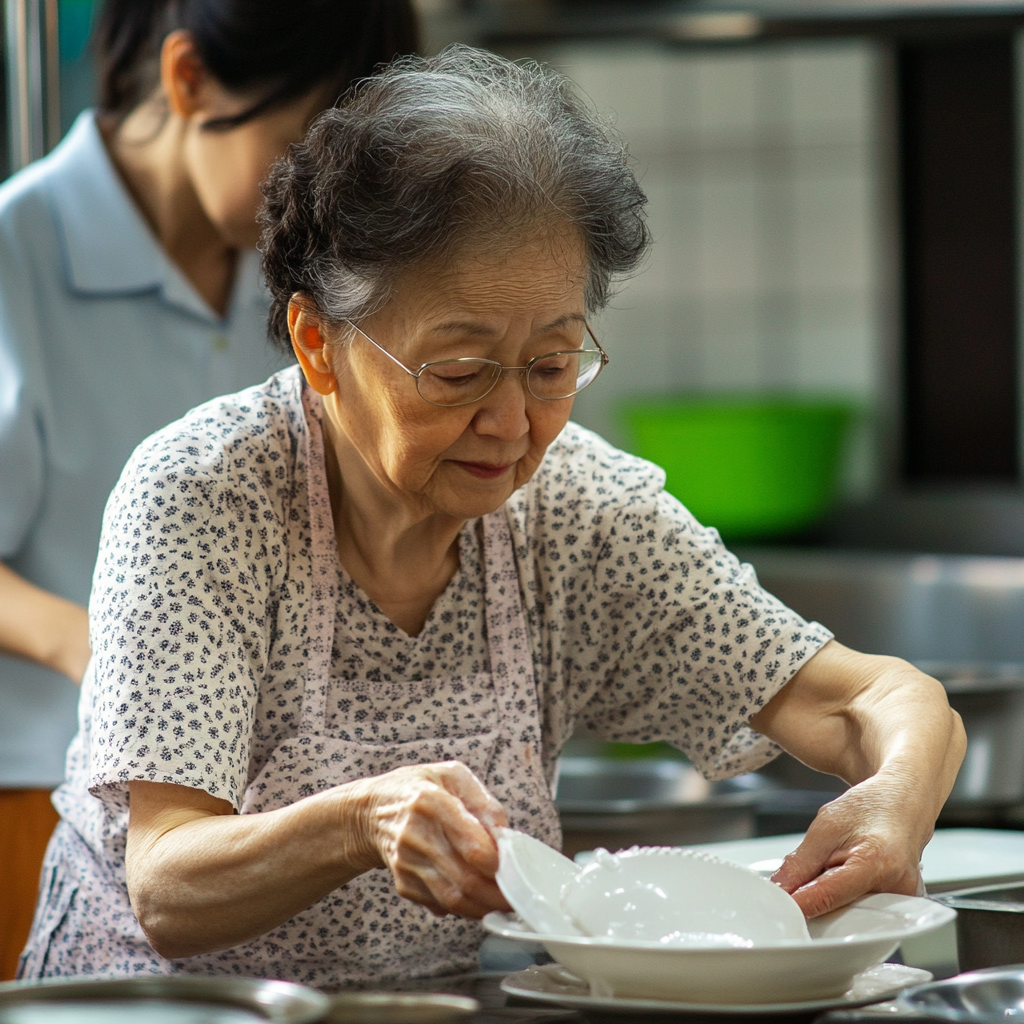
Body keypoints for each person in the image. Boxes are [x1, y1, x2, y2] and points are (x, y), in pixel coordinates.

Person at [19, 45, 965, 986]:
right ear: (318, 343)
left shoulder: (579, 519)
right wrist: (361, 822)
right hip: (154, 1008)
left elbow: (874, 701)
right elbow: (169, 883)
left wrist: (895, 803)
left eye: (552, 365)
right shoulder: (206, 495)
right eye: (460, 372)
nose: (512, 424)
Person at [0, 0, 419, 980]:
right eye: (303, 149)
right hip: (37, 801)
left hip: (250, 823)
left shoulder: (295, 276)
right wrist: (95, 642)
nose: (332, 198)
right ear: (188, 81)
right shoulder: (17, 255)